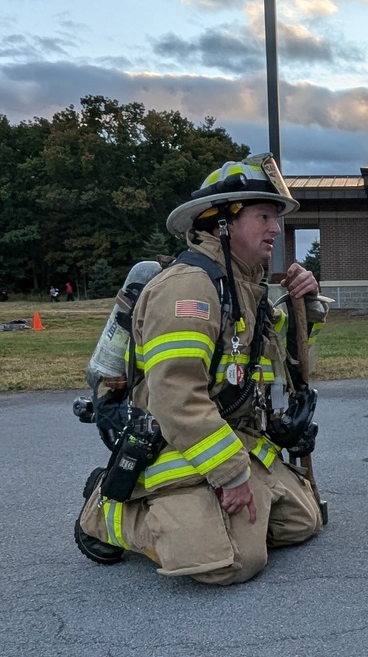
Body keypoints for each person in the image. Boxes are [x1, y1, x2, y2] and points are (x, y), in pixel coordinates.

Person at [75, 157, 329, 585]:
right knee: (231, 563)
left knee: (302, 523)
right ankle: (106, 512)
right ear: (221, 223)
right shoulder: (188, 288)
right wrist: (231, 474)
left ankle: (212, 514)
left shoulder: (246, 287)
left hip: (234, 437)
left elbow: (280, 358)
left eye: (275, 218)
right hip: (176, 444)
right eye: (264, 216)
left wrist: (310, 305)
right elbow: (176, 397)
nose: (275, 229)